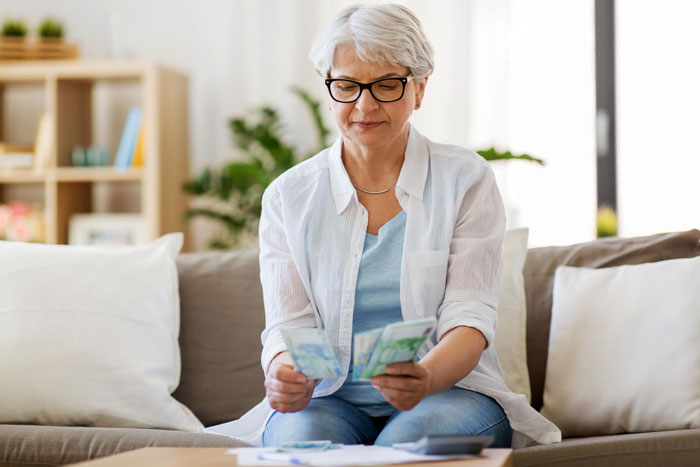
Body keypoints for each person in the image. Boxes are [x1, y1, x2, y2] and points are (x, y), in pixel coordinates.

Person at [258, 3, 561, 448]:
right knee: (303, 444)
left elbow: (469, 318)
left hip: (448, 392)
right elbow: (289, 326)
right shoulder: (288, 197)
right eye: (346, 85)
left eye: (386, 85)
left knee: (404, 450)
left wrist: (424, 376)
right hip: (329, 399)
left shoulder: (466, 179)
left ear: (419, 89)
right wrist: (285, 370)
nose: (364, 104)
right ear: (329, 89)